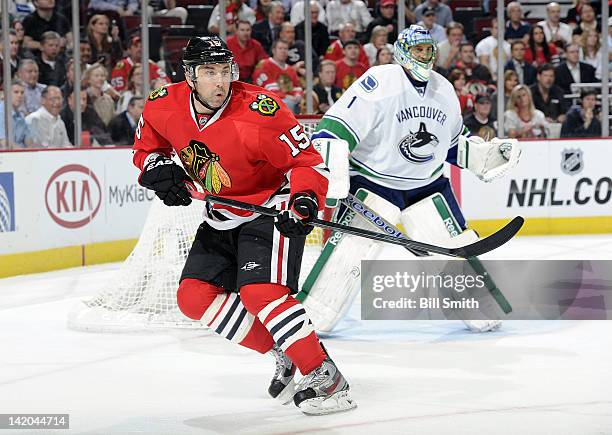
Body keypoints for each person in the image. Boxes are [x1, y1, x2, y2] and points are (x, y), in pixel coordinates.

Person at [132, 36, 355, 415]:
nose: (220, 81)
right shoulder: (162, 104)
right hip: (222, 211)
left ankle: (325, 375)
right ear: (189, 75)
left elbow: (308, 163)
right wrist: (157, 170)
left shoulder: (261, 110)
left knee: (259, 293)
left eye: (225, 71)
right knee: (192, 297)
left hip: (271, 206)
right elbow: (147, 149)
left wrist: (303, 200)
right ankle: (284, 351)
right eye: (209, 72)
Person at [311, 25, 520, 333]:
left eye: (428, 49)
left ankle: (480, 308)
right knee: (350, 253)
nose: (424, 55)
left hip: (428, 185)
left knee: (453, 251)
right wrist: (332, 173)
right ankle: (315, 314)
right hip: (374, 183)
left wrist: (483, 156)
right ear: (402, 51)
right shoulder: (379, 82)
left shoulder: (444, 89)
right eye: (418, 49)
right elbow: (335, 128)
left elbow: (450, 144)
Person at [252, 39, 304, 113]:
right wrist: (286, 96)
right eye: (280, 48)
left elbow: (297, 87)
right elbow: (268, 89)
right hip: (266, 102)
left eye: (285, 49)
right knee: (287, 103)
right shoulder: (264, 65)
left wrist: (297, 95)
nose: (283, 51)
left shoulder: (290, 69)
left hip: (290, 99)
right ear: (273, 50)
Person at [0, 79, 33, 149]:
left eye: (22, 93)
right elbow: (5, 144)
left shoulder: (21, 116)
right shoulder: (1, 113)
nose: (19, 96)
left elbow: (29, 142)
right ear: (6, 94)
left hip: (20, 156)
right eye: (16, 92)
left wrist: (31, 153)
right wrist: (25, 154)